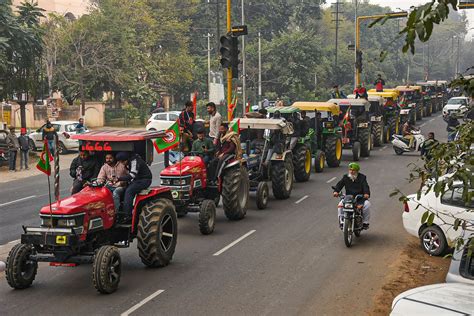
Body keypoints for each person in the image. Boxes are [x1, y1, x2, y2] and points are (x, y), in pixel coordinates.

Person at [116, 152, 152, 222]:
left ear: (126, 160)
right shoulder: (130, 161)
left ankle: (128, 215)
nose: (122, 164)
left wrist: (119, 178)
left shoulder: (135, 161)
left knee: (129, 191)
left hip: (144, 180)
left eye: (122, 162)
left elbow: (132, 175)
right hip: (137, 180)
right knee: (122, 190)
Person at [333, 162, 371, 229]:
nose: (351, 171)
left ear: (357, 171)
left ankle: (365, 222)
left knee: (367, 204)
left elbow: (365, 186)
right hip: (348, 198)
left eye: (353, 170)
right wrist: (336, 191)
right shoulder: (346, 177)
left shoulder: (362, 177)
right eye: (350, 170)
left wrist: (366, 193)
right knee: (340, 205)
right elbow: (339, 184)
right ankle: (342, 222)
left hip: (359, 198)